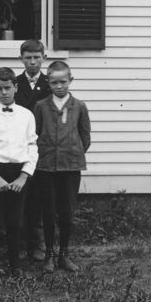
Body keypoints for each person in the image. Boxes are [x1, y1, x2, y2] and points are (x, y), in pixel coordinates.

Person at [0, 67, 38, 282]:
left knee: (15, 221)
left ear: (16, 87)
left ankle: (15, 265)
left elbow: (32, 147)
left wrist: (23, 176)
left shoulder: (26, 115)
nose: (4, 93)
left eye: (8, 88)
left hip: (19, 172)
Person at [32, 61, 91, 273]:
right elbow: (34, 135)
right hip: (46, 166)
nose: (59, 86)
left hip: (70, 166)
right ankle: (49, 254)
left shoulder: (79, 106)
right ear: (48, 82)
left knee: (67, 211)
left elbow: (85, 137)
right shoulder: (41, 106)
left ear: (70, 81)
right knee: (48, 211)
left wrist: (72, 151)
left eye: (63, 82)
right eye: (54, 82)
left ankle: (64, 254)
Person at [14, 39, 51, 263]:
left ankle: (37, 243)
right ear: (21, 59)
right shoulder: (15, 83)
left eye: (37, 57)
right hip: (18, 146)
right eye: (28, 58)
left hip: (40, 147)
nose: (32, 62)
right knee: (20, 197)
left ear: (43, 58)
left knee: (38, 197)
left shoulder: (50, 83)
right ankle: (17, 244)